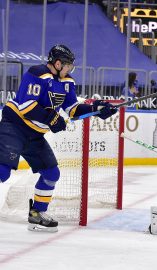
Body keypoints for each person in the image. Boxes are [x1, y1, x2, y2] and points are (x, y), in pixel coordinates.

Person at [0, 44, 117, 232]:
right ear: (57, 63)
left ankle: (37, 213)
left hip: (35, 135)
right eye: (68, 65)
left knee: (51, 173)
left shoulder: (67, 82)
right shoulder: (37, 73)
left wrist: (97, 109)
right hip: (14, 127)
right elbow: (27, 106)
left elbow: (72, 110)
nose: (70, 69)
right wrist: (52, 118)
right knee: (3, 171)